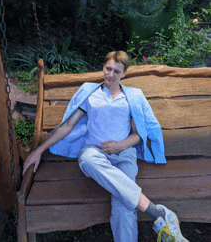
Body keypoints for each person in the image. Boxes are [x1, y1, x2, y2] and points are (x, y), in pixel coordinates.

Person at [23, 51, 189, 242]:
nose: (110, 74)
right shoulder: (91, 94)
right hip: (95, 152)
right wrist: (38, 151)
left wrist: (120, 146)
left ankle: (158, 217)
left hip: (124, 153)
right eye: (107, 69)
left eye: (116, 71)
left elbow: (138, 135)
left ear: (124, 74)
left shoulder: (131, 98)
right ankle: (156, 213)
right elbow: (67, 126)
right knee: (86, 159)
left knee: (123, 204)